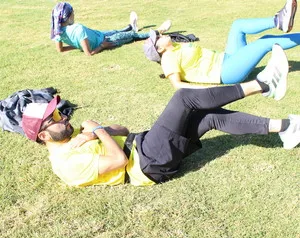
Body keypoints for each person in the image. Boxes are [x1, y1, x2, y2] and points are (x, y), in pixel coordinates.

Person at [22, 45, 299, 187]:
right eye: (55, 118)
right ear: (43, 135)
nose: (63, 117)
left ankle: (285, 128)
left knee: (208, 117)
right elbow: (118, 162)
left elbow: (124, 129)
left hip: (144, 145)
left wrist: (99, 129)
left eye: (58, 111)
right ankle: (263, 85)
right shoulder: (65, 165)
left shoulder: (77, 139)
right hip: (146, 164)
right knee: (184, 97)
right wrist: (99, 132)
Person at [143, 0, 300, 89]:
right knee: (264, 42)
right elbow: (177, 84)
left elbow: (163, 29)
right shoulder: (167, 59)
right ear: (159, 49)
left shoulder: (174, 46)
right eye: (158, 37)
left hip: (227, 57)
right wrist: (208, 89)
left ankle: (278, 20)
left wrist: (161, 30)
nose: (161, 34)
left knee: (237, 25)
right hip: (227, 72)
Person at [51, 2, 171, 56]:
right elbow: (89, 54)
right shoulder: (78, 29)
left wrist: (78, 45)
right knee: (132, 36)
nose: (74, 14)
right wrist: (102, 46)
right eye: (73, 12)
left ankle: (130, 26)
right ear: (68, 16)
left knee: (116, 30)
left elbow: (60, 50)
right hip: (105, 41)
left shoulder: (57, 32)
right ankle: (158, 32)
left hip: (100, 34)